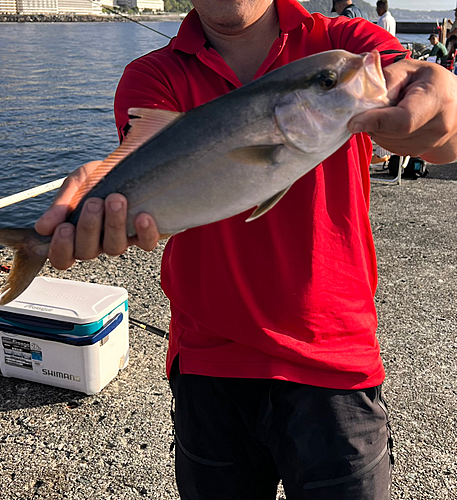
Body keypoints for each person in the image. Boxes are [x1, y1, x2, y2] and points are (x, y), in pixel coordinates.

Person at [36, 1, 457, 498]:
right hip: (208, 365)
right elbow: (144, 161)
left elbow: (433, 117)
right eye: (327, 86)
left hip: (334, 359)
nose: (342, 81)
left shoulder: (344, 45)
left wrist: (440, 108)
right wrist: (101, 203)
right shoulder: (153, 74)